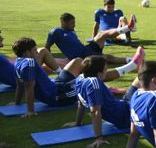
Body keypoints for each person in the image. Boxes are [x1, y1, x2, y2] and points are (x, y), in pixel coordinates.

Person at [13, 37, 144, 118]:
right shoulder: (29, 64)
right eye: (34, 51)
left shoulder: (19, 62)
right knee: (91, 76)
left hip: (58, 85)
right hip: (59, 95)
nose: (36, 53)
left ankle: (103, 87)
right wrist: (30, 111)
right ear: (26, 53)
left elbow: (20, 85)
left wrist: (17, 102)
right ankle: (132, 65)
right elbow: (29, 88)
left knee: (77, 61)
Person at [46, 12, 136, 62]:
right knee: (106, 57)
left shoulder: (70, 30)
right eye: (72, 23)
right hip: (81, 56)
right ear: (63, 23)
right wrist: (50, 60)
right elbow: (47, 48)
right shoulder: (56, 32)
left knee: (102, 34)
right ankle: (132, 61)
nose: (74, 25)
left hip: (86, 49)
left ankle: (128, 27)